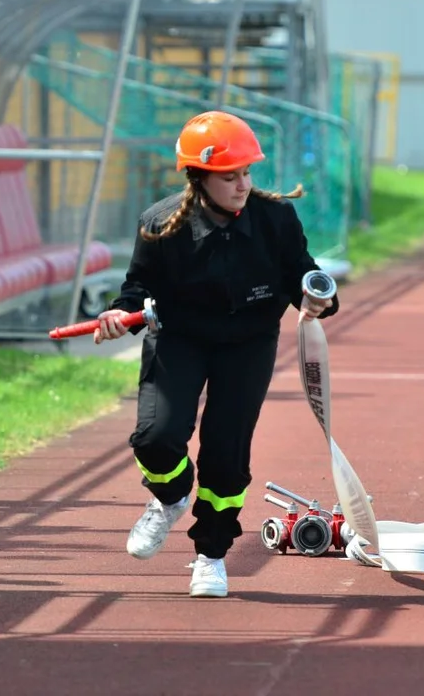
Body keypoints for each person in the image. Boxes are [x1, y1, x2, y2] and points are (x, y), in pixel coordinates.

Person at [91, 110, 341, 598]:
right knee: (155, 438)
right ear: (198, 177)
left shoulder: (277, 220)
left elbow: (303, 275)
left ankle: (210, 554)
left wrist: (318, 299)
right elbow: (137, 289)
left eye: (247, 172)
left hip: (248, 344)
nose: (243, 184)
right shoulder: (160, 225)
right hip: (179, 339)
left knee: (227, 456)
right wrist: (119, 315)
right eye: (231, 176)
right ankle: (169, 497)